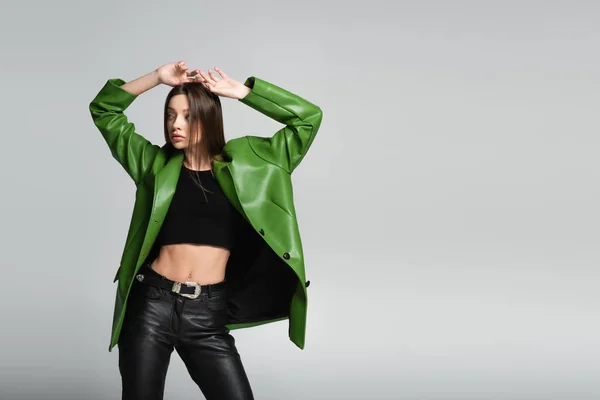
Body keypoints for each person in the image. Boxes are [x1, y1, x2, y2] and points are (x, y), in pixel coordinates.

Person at [88, 61, 323, 400]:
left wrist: (242, 92)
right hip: (150, 307)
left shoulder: (254, 165)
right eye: (170, 115)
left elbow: (308, 118)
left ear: (209, 117)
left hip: (207, 315)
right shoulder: (152, 166)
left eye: (188, 116)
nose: (176, 125)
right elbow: (105, 110)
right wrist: (156, 78)